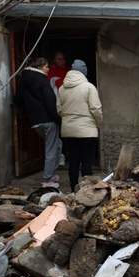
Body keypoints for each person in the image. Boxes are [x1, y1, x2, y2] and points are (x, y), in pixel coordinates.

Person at [57, 59, 103, 192]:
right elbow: (96, 109)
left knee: (73, 162)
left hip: (68, 132)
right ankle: (86, 191)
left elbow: (59, 109)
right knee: (86, 162)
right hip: (87, 132)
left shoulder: (61, 88)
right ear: (83, 71)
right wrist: (98, 124)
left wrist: (69, 120)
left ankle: (73, 189)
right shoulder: (89, 87)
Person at [16, 57, 61, 188]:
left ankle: (51, 174)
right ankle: (47, 179)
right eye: (47, 66)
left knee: (56, 145)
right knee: (52, 148)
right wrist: (57, 119)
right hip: (48, 119)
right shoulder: (42, 80)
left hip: (34, 121)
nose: (48, 69)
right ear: (40, 67)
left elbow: (18, 99)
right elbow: (49, 101)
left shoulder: (24, 80)